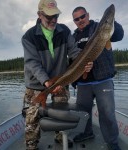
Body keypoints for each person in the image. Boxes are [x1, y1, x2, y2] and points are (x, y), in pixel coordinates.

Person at [21, 0, 93, 150]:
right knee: (32, 116)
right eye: (49, 17)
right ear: (39, 15)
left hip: (61, 80)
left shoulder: (64, 31)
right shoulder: (29, 37)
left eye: (56, 16)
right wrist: (47, 82)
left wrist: (85, 61)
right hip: (35, 82)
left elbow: (74, 52)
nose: (53, 20)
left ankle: (60, 135)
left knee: (62, 111)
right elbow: (33, 64)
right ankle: (31, 144)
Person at [72, 6, 124, 150]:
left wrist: (112, 21)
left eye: (82, 16)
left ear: (87, 15)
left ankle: (112, 143)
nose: (80, 20)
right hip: (83, 82)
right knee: (83, 113)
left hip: (103, 80)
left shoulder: (99, 27)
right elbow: (72, 60)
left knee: (107, 114)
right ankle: (86, 133)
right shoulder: (73, 37)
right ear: (74, 21)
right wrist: (75, 81)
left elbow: (119, 35)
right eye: (77, 19)